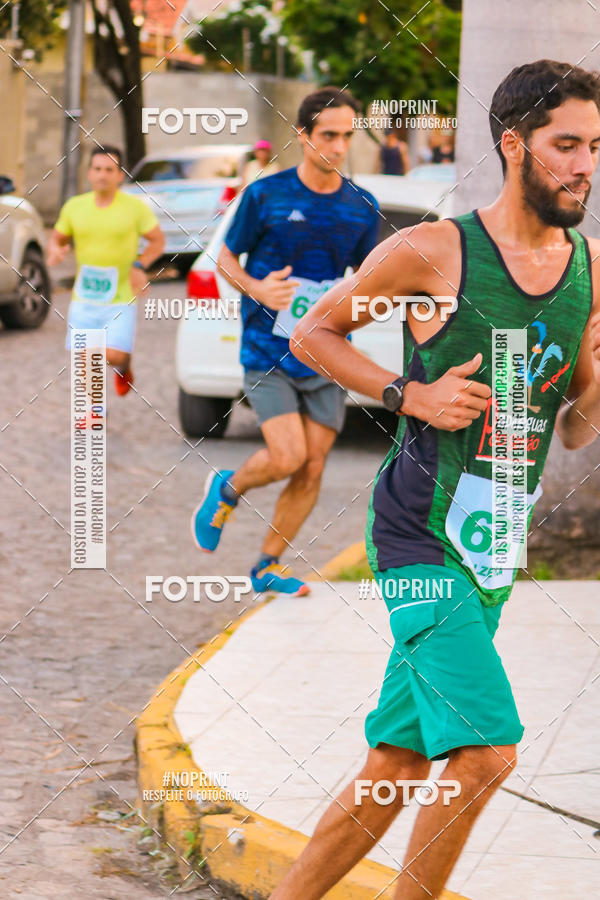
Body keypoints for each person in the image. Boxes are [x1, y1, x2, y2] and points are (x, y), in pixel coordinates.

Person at [272, 59, 600, 899]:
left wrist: (596, 377)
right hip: (419, 531)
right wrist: (406, 393)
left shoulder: (588, 268)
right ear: (515, 145)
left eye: (595, 148)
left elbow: (574, 426)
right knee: (487, 751)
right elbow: (313, 333)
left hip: (493, 548)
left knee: (397, 762)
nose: (585, 166)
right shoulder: (437, 249)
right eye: (567, 145)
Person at [191, 87, 379, 596]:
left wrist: (354, 314)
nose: (339, 147)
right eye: (328, 135)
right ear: (303, 135)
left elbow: (366, 279)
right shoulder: (266, 195)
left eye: (347, 136)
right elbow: (225, 258)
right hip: (267, 350)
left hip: (325, 352)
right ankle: (227, 486)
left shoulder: (362, 205)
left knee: (312, 467)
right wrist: (257, 288)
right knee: (288, 455)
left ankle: (267, 565)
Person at [47, 145, 165, 398]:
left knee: (114, 355)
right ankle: (94, 411)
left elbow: (158, 242)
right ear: (89, 172)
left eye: (109, 170)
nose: (102, 175)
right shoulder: (75, 207)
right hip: (84, 298)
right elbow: (57, 238)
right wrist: (56, 249)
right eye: (97, 169)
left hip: (120, 297)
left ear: (120, 175)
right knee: (86, 360)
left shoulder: (134, 208)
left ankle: (124, 366)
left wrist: (138, 265)